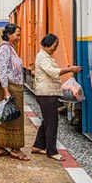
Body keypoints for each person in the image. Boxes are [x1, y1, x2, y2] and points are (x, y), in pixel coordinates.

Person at [31, 33, 82, 161]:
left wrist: (67, 68)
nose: (55, 48)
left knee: (47, 121)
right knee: (52, 122)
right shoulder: (42, 57)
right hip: (46, 94)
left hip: (48, 93)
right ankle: (51, 151)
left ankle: (38, 146)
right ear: (47, 44)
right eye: (55, 45)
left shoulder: (46, 56)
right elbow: (52, 72)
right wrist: (70, 70)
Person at [0, 23, 29, 161]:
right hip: (10, 88)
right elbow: (2, 70)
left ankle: (1, 148)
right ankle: (15, 149)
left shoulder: (10, 48)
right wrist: (6, 91)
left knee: (7, 117)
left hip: (12, 87)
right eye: (17, 35)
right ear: (9, 34)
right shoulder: (5, 49)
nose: (19, 38)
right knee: (14, 118)